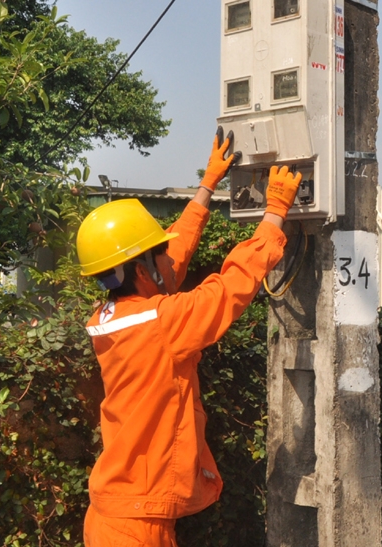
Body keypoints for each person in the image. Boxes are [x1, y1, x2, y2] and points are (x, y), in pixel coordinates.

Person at [75, 128, 301, 547]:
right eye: (156, 251)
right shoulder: (161, 322)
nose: (168, 253)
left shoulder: (114, 315)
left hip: (117, 513)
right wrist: (273, 216)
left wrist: (207, 186)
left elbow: (169, 261)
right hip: (135, 528)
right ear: (141, 270)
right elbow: (227, 290)